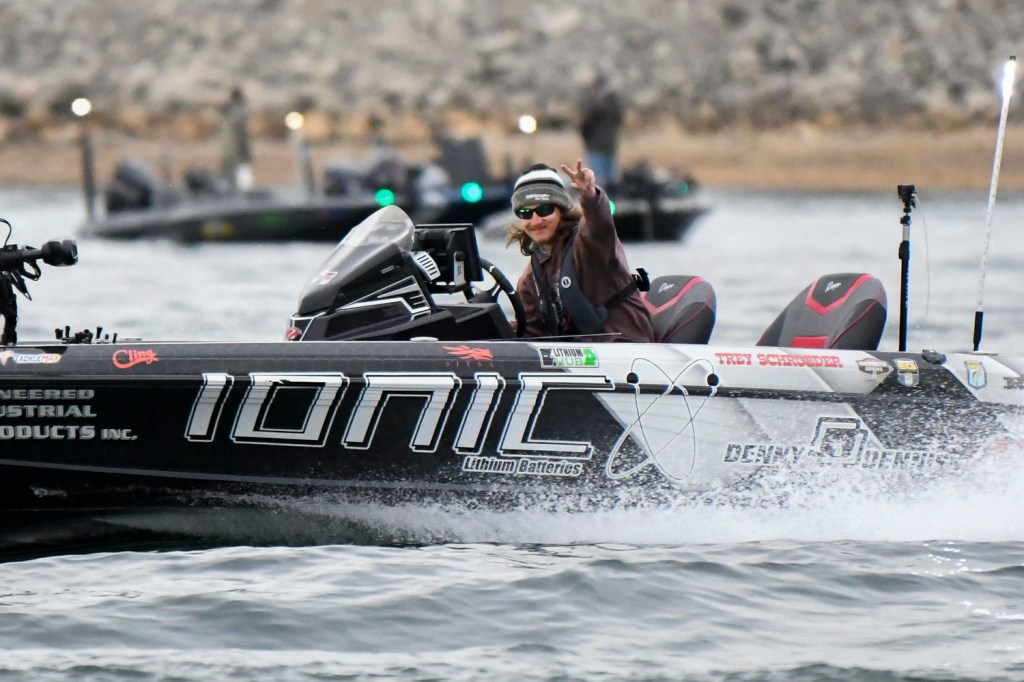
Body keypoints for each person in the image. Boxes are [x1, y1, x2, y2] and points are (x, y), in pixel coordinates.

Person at [506, 161, 654, 342]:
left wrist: (590, 196)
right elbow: (530, 333)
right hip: (578, 355)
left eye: (544, 210)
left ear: (562, 211)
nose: (536, 221)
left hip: (625, 346)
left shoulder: (590, 244)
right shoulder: (530, 279)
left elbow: (599, 224)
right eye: (525, 213)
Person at [579, 74, 624, 187]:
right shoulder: (614, 104)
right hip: (609, 146)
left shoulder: (594, 105)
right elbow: (620, 120)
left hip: (596, 146)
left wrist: (586, 138)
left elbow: (585, 125)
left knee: (596, 181)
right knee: (611, 180)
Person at [219, 86, 252, 191]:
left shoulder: (227, 111)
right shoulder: (239, 111)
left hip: (228, 147)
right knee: (239, 170)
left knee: (230, 168)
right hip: (235, 146)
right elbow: (241, 134)